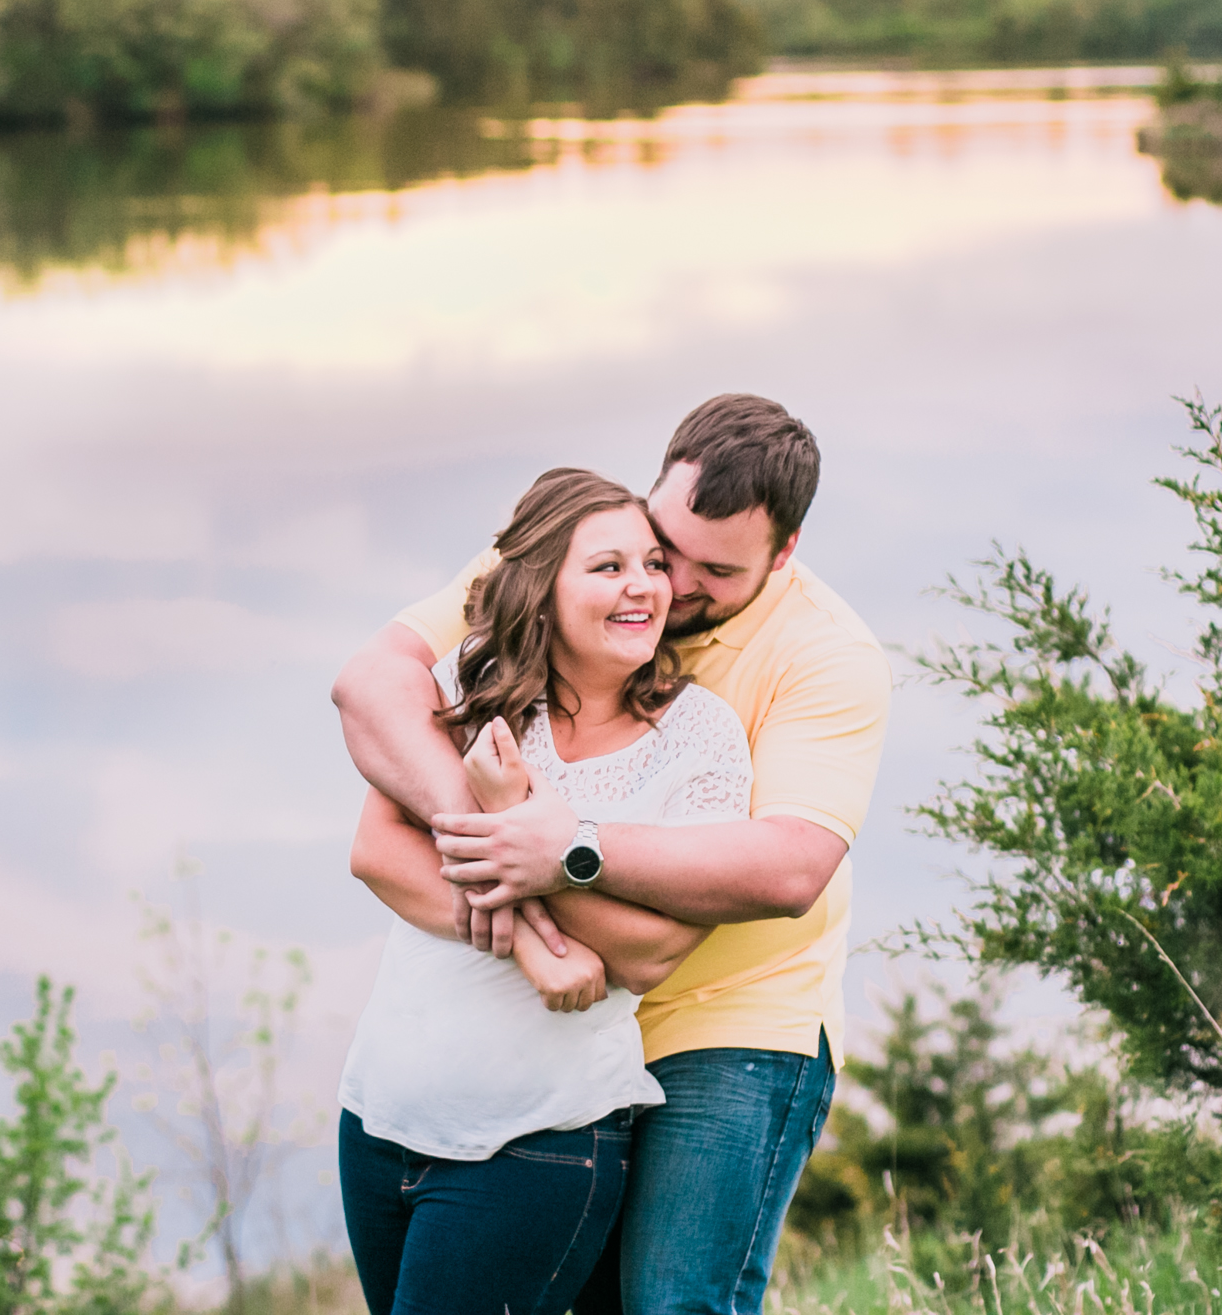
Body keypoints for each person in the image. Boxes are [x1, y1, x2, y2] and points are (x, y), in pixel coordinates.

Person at [332, 394, 892, 1314]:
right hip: (559, 1016)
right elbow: (371, 683)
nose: (667, 583)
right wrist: (489, 836)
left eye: (714, 570)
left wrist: (565, 848)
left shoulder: (829, 657)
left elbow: (790, 865)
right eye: (663, 546)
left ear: (784, 553)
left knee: (670, 1300)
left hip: (730, 1015)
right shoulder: (575, 553)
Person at [337, 467, 756, 1315]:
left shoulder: (701, 738)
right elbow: (378, 852)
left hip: (538, 1145)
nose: (644, 585)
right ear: (541, 588)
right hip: (379, 1122)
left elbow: (649, 950)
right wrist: (528, 918)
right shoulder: (475, 685)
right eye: (607, 567)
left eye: (650, 563)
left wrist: (526, 833)